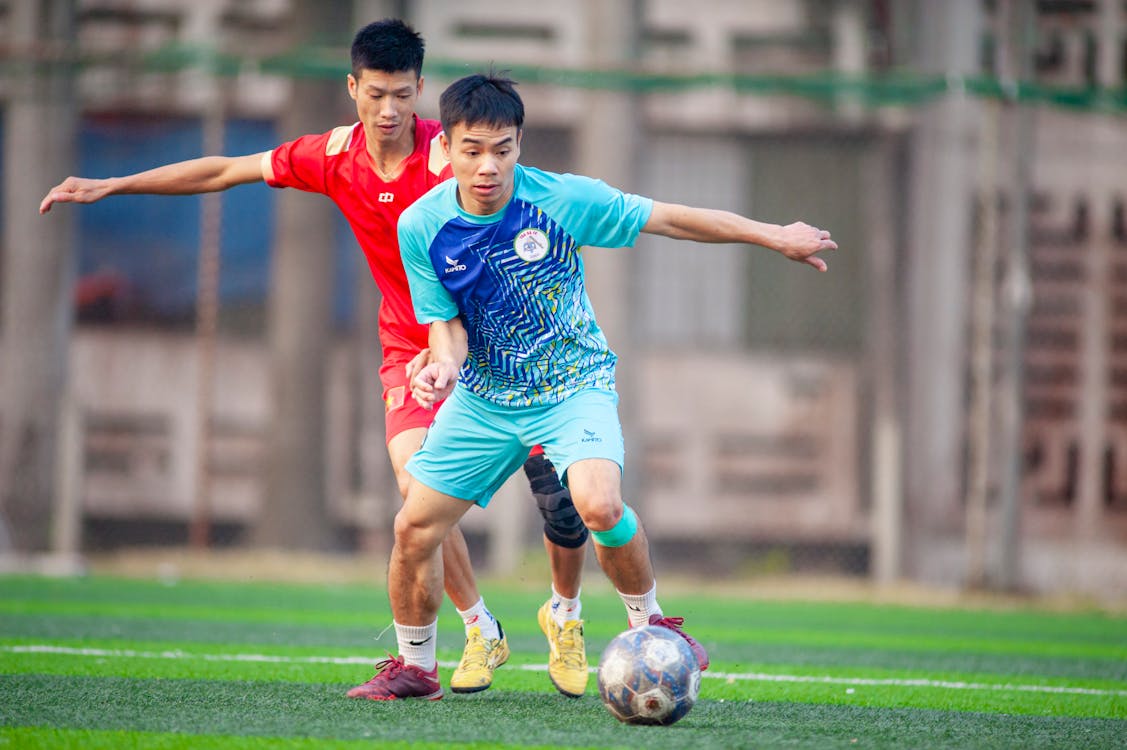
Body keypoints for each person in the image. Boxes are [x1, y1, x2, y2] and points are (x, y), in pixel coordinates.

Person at [38, 20, 591, 698]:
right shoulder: (331, 156)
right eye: (376, 94)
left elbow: (545, 207)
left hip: (506, 346)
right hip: (410, 347)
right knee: (418, 496)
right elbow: (223, 170)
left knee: (560, 502)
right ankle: (478, 629)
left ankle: (568, 613)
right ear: (353, 87)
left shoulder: (456, 159)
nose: (389, 111)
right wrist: (113, 186)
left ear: (420, 93)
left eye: (403, 96)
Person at [357, 71, 837, 701]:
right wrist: (442, 362)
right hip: (485, 399)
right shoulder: (421, 225)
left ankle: (655, 625)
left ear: (520, 144)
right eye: (472, 150)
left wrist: (772, 235)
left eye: (502, 149)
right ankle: (416, 667)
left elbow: (671, 219)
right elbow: (444, 326)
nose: (488, 167)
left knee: (598, 504)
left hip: (572, 386)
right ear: (444, 149)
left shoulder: (562, 200)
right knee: (412, 529)